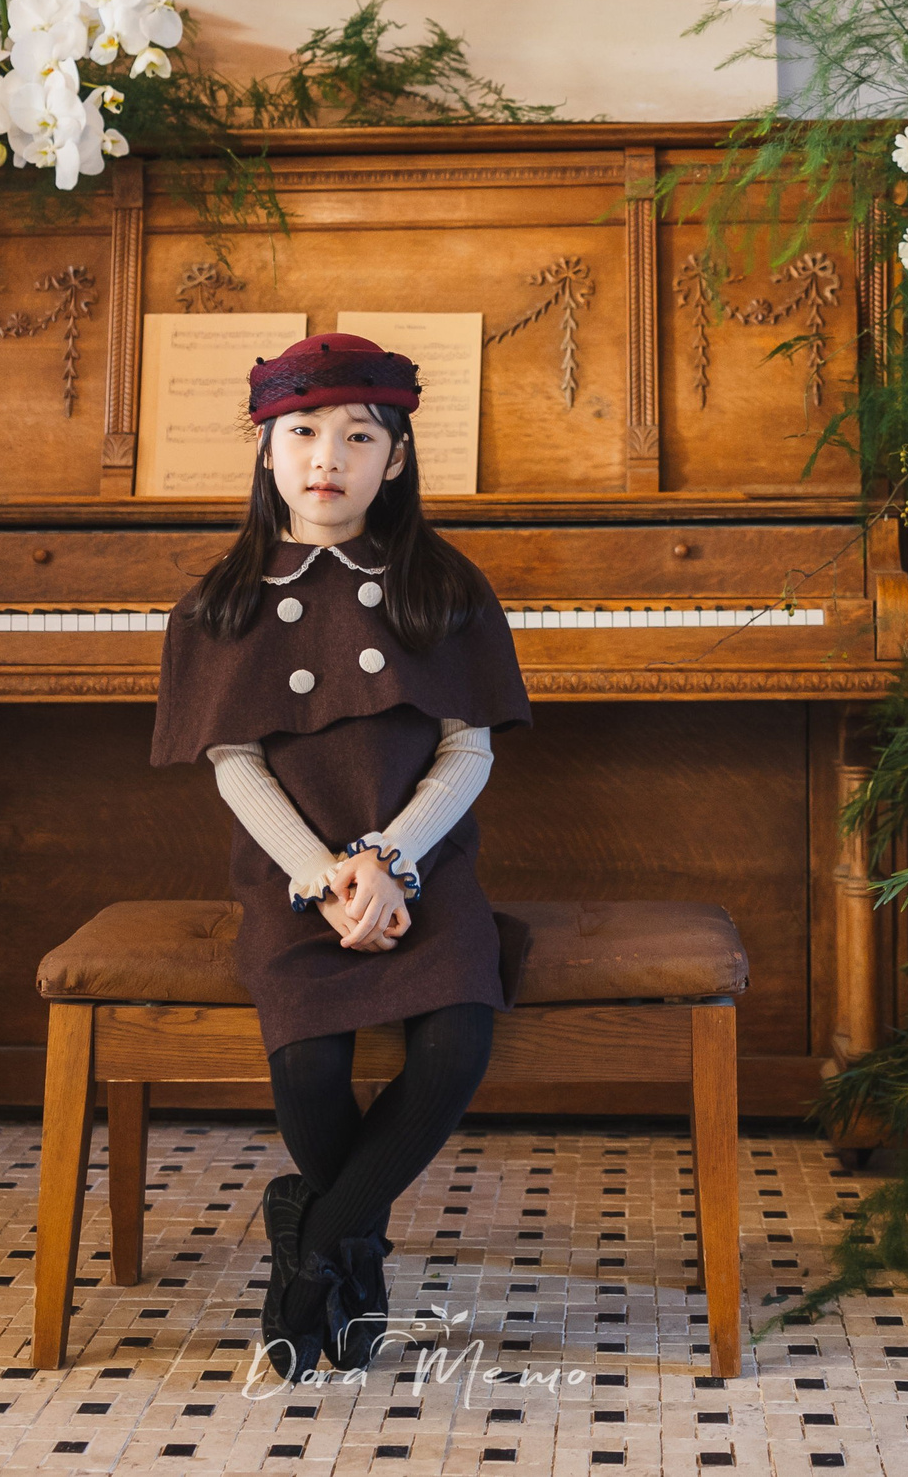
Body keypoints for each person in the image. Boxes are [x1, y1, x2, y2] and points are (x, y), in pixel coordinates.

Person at [150, 332, 533, 1380]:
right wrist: (326, 877)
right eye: (303, 432)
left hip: (427, 869)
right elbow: (234, 768)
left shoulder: (440, 583)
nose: (328, 456)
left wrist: (392, 861)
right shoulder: (226, 595)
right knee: (309, 1069)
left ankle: (312, 1251)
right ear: (265, 448)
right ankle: (352, 1268)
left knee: (455, 1042)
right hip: (293, 877)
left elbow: (468, 745)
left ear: (395, 457)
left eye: (358, 436)